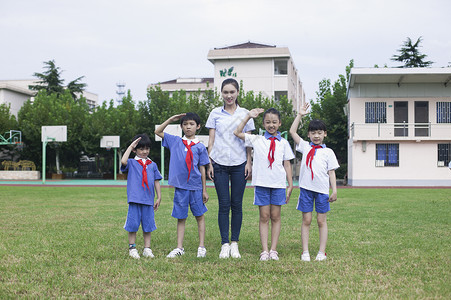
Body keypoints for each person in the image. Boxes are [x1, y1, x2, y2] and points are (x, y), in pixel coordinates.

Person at [234, 108, 294, 261]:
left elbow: (287, 164)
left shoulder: (284, 143)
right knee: (264, 216)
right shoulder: (257, 139)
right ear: (263, 124)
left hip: (278, 184)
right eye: (268, 122)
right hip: (261, 184)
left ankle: (274, 250)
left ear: (280, 123)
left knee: (275, 216)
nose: (271, 125)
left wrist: (290, 184)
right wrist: (248, 116)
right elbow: (237, 132)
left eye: (274, 122)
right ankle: (264, 250)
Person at [206, 78, 255, 259]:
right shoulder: (214, 114)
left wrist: (249, 162)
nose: (229, 96)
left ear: (237, 93)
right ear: (221, 93)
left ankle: (235, 243)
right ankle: (224, 244)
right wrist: (209, 162)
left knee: (237, 204)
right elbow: (211, 141)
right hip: (218, 163)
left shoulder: (245, 114)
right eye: (225, 92)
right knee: (223, 205)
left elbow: (248, 141)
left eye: (232, 92)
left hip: (239, 163)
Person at [155, 113, 210, 258]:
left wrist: (204, 190)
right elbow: (158, 131)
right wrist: (170, 119)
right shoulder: (175, 141)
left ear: (198, 126)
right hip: (180, 187)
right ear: (181, 127)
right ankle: (179, 247)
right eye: (185, 124)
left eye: (191, 124)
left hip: (196, 187)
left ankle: (201, 247)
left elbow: (202, 168)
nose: (188, 127)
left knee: (199, 216)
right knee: (181, 217)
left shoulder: (200, 147)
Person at [289, 103, 339, 262]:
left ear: (325, 134)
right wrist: (300, 115)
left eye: (319, 133)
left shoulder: (328, 152)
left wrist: (335, 190)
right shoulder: (305, 146)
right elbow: (292, 131)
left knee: (321, 220)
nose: (316, 136)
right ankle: (305, 252)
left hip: (322, 191)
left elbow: (331, 172)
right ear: (309, 134)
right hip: (306, 190)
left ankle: (321, 252)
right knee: (307, 220)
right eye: (313, 133)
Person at [121, 134, 162, 259]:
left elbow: (156, 180)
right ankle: (132, 248)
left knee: (148, 225)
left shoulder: (152, 164)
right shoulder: (132, 163)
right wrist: (130, 146)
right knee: (133, 225)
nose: (145, 151)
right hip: (135, 199)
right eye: (141, 149)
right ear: (135, 150)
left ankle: (147, 248)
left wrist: (159, 197)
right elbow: (123, 161)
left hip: (148, 200)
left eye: (147, 149)